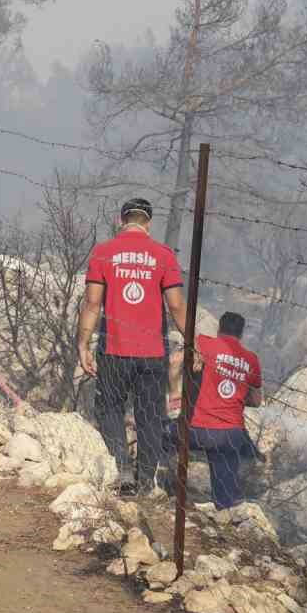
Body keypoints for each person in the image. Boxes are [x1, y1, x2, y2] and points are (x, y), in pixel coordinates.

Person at [76, 196, 189, 497]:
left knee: (110, 408)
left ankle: (122, 469)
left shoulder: (104, 252)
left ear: (121, 220)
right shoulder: (164, 255)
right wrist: (194, 341)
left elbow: (92, 302)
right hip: (153, 353)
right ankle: (146, 481)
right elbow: (176, 305)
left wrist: (83, 344)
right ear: (148, 223)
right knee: (149, 415)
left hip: (114, 349)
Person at [188, 312, 263, 509]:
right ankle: (225, 510)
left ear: (219, 328)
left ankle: (150, 481)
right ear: (241, 334)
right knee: (225, 494)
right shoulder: (252, 359)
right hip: (231, 434)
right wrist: (236, 395)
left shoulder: (204, 343)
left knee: (160, 433)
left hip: (197, 431)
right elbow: (256, 401)